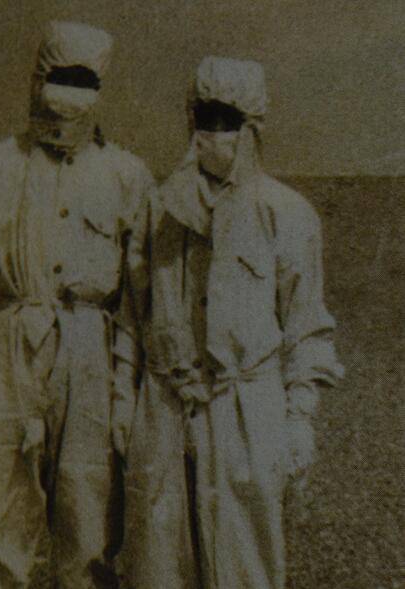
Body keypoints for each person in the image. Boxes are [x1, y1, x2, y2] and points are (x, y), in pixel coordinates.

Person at [112, 57, 344, 589]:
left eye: (229, 121)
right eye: (205, 118)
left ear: (252, 126)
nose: (215, 133)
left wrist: (299, 417)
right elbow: (132, 314)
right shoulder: (158, 211)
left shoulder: (286, 214)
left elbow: (306, 326)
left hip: (246, 411)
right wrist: (124, 401)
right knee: (159, 561)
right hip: (165, 407)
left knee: (244, 563)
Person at [0, 21, 153, 589]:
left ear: (101, 87)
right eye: (60, 76)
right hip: (7, 350)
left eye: (84, 80)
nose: (69, 93)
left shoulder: (126, 176)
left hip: (90, 352)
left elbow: (138, 299)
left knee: (89, 517)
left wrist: (126, 390)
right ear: (37, 78)